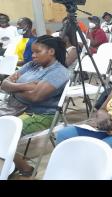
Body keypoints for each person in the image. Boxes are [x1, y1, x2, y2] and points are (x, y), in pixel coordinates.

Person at [1, 35, 69, 176]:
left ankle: (24, 168)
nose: (33, 55)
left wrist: (14, 89)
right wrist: (26, 86)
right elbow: (4, 84)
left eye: (37, 52)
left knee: (2, 132)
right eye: (32, 52)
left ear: (51, 51)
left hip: (41, 114)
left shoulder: (59, 72)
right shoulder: (32, 65)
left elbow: (35, 97)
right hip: (15, 107)